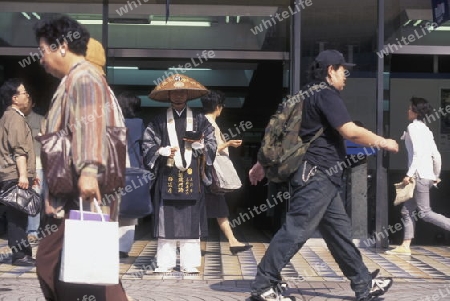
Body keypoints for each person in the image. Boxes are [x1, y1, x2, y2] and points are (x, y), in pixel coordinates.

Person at [247, 50, 398, 301]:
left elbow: (283, 133)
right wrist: (382, 141)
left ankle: (363, 283)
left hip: (320, 177)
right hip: (316, 175)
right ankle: (263, 285)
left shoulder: (303, 95)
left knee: (339, 233)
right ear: (331, 70)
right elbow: (349, 131)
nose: (345, 76)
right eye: (342, 70)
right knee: (296, 230)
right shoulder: (326, 95)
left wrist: (261, 163)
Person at [33, 14, 128, 300]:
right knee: (77, 268)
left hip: (81, 191)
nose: (41, 59)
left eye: (43, 51)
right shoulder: (73, 79)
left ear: (62, 45)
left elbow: (89, 124)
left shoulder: (84, 76)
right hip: (70, 190)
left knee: (64, 265)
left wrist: (88, 171)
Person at [142, 73, 216, 274]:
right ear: (169, 95)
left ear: (188, 95)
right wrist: (160, 151)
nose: (178, 96)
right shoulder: (158, 121)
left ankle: (189, 262)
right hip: (167, 173)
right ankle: (165, 262)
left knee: (191, 218)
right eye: (174, 92)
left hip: (191, 176)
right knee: (166, 216)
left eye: (182, 92)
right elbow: (147, 143)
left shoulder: (200, 120)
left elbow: (212, 142)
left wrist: (201, 146)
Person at [385, 97, 445, 256]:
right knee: (407, 211)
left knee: (425, 213)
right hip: (426, 176)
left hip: (417, 176)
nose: (408, 110)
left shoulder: (413, 127)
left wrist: (409, 174)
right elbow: (436, 155)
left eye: (410, 108)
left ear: (416, 112)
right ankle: (405, 245)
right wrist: (436, 175)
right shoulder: (427, 130)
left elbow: (417, 154)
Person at [200, 90, 252, 255]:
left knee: (213, 208)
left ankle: (232, 241)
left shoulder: (204, 121)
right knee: (212, 208)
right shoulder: (208, 123)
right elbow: (209, 148)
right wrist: (228, 143)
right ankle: (231, 242)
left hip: (206, 172)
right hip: (209, 173)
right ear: (218, 107)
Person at [0, 78, 36, 266]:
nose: (27, 96)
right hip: (15, 175)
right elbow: (18, 150)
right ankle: (20, 255)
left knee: (20, 215)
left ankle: (24, 254)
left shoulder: (12, 116)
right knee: (17, 217)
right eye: (24, 93)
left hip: (16, 174)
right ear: (14, 98)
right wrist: (23, 175)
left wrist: (30, 175)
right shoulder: (14, 118)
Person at [116, 91, 145, 259]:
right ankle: (123, 247)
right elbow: (142, 147)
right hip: (132, 169)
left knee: (113, 208)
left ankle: (109, 244)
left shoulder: (111, 122)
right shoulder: (138, 123)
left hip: (113, 169)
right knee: (129, 209)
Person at [23, 94, 45, 245]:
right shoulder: (12, 119)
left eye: (28, 99)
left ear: (33, 103)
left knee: (35, 198)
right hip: (18, 166)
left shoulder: (41, 120)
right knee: (19, 199)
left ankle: (33, 231)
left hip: (37, 165)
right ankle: (20, 229)